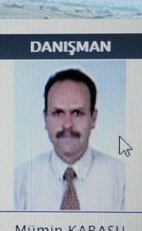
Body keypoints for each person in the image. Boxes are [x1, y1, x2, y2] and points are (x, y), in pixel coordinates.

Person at [15, 69, 125, 211]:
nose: (67, 124)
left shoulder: (122, 180)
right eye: (58, 113)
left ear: (93, 118)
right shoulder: (19, 181)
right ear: (45, 119)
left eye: (77, 113)